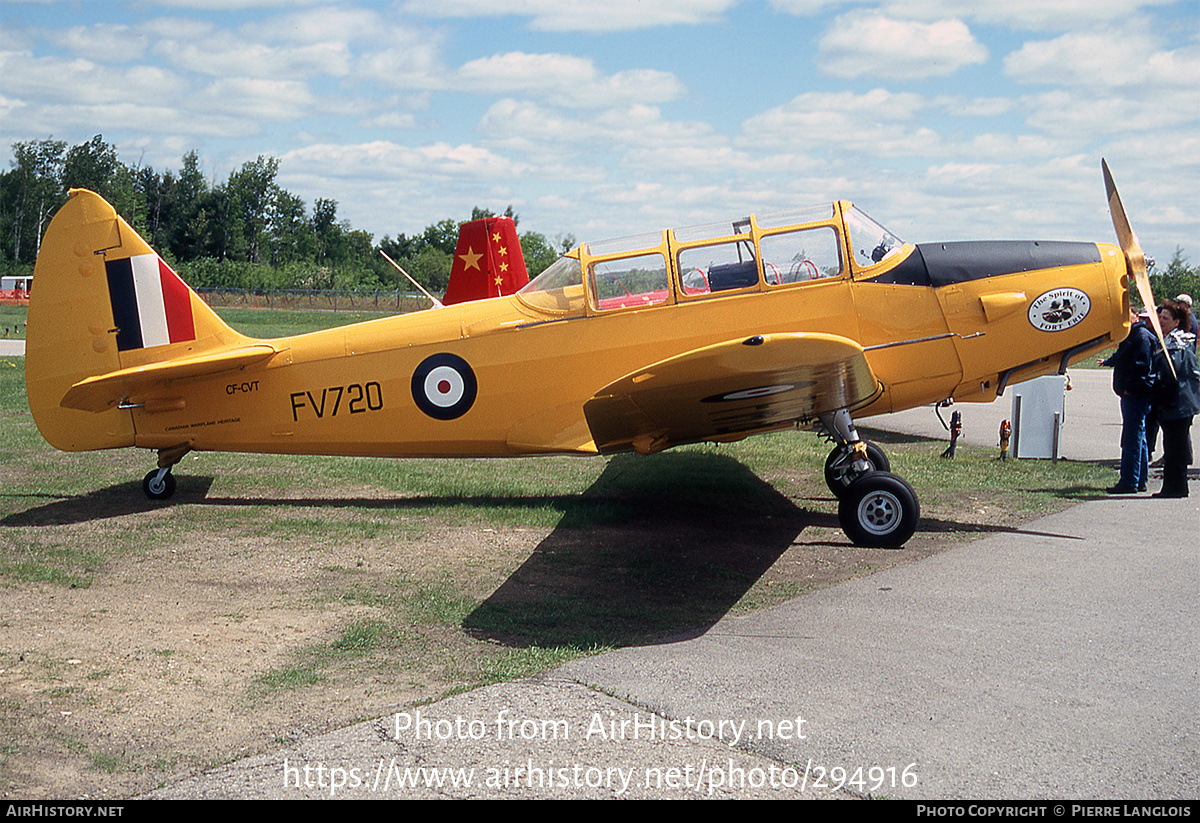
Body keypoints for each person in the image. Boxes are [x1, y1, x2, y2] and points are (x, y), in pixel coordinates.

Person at [1101, 308, 1156, 493]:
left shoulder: (1141, 337)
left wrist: (1129, 389)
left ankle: (1129, 481)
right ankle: (1139, 479)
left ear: (1136, 317)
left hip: (1136, 395)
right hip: (1131, 394)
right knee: (1138, 438)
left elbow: (1141, 367)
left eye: (1127, 316)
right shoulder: (1130, 336)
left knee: (1132, 438)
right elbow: (1121, 358)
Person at [1150, 300, 1199, 498]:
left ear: (1176, 322)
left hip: (1179, 402)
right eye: (1160, 317)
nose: (1161, 321)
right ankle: (1175, 487)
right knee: (1173, 446)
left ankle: (1175, 488)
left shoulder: (1178, 344)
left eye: (1166, 318)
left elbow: (1173, 374)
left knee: (1175, 447)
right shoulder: (1169, 341)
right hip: (1173, 402)